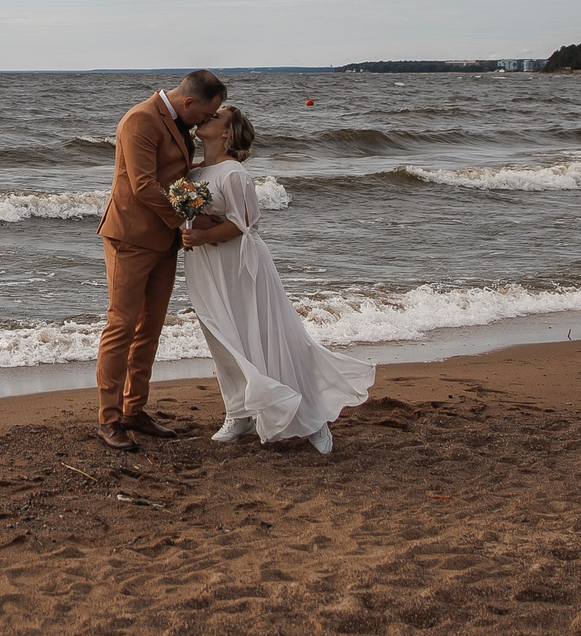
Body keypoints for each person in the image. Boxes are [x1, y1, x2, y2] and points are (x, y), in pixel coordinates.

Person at [180, 104, 376, 451]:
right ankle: (239, 412)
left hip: (240, 267)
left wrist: (204, 234)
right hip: (206, 267)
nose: (206, 118)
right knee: (223, 340)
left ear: (226, 133)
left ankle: (312, 415)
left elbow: (244, 225)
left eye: (215, 117)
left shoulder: (233, 174)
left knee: (271, 337)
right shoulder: (195, 174)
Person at [93, 70, 234, 450]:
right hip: (130, 238)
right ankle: (108, 420)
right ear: (189, 103)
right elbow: (143, 186)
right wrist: (189, 217)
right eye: (207, 113)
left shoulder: (179, 122)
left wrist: (200, 209)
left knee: (150, 329)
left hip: (164, 240)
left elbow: (175, 177)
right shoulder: (140, 119)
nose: (207, 120)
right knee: (121, 325)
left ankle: (133, 410)